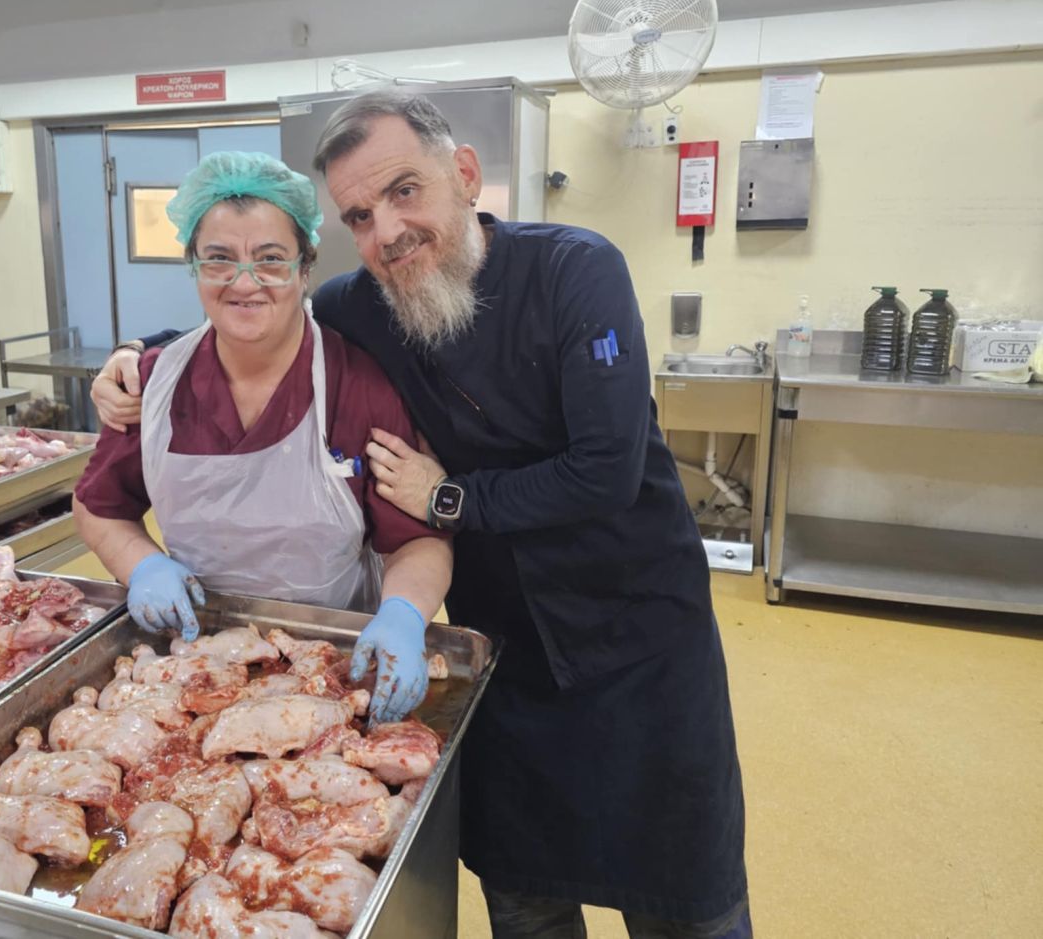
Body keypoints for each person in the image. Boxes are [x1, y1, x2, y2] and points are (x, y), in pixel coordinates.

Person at [92, 92, 751, 938]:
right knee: (526, 896)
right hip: (501, 648)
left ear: (465, 175)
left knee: (681, 899)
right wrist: (137, 356)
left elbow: (607, 470)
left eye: (405, 191)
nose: (388, 232)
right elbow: (252, 310)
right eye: (360, 216)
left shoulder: (575, 271)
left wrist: (450, 499)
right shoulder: (364, 303)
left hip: (638, 640)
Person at [72, 150, 452, 726]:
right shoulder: (153, 382)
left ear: (304, 269)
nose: (244, 283)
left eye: (271, 260)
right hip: (194, 658)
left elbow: (417, 540)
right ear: (194, 268)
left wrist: (403, 614)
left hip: (336, 663)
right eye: (219, 259)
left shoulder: (358, 385)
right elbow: (99, 506)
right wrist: (142, 564)